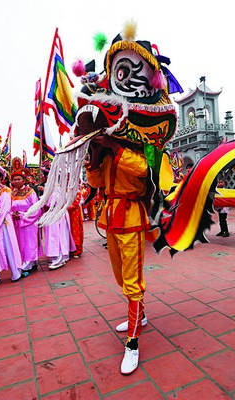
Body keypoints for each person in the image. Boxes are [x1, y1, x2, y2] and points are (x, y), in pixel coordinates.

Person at [86, 135, 149, 375]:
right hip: (112, 217)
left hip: (131, 216)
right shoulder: (106, 156)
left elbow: (143, 170)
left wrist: (115, 146)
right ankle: (140, 316)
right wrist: (94, 156)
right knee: (121, 277)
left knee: (132, 282)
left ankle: (132, 343)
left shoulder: (138, 150)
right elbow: (95, 182)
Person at [10, 171, 41, 272]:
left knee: (29, 242)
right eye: (14, 179)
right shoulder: (12, 193)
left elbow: (36, 208)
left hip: (29, 222)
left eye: (19, 179)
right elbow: (9, 207)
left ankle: (29, 262)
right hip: (17, 222)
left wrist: (23, 216)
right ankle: (26, 261)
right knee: (20, 242)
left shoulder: (30, 191)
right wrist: (12, 215)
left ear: (24, 180)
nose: (17, 181)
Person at [43, 187, 75, 270]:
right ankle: (54, 256)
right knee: (52, 236)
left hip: (58, 214)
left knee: (59, 236)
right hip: (52, 214)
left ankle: (60, 257)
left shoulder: (58, 189)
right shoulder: (50, 189)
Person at [68, 184, 85, 258]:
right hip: (67, 213)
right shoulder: (66, 189)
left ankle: (77, 250)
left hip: (74, 213)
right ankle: (71, 249)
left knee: (75, 231)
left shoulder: (77, 190)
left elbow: (76, 202)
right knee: (68, 231)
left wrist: (66, 207)